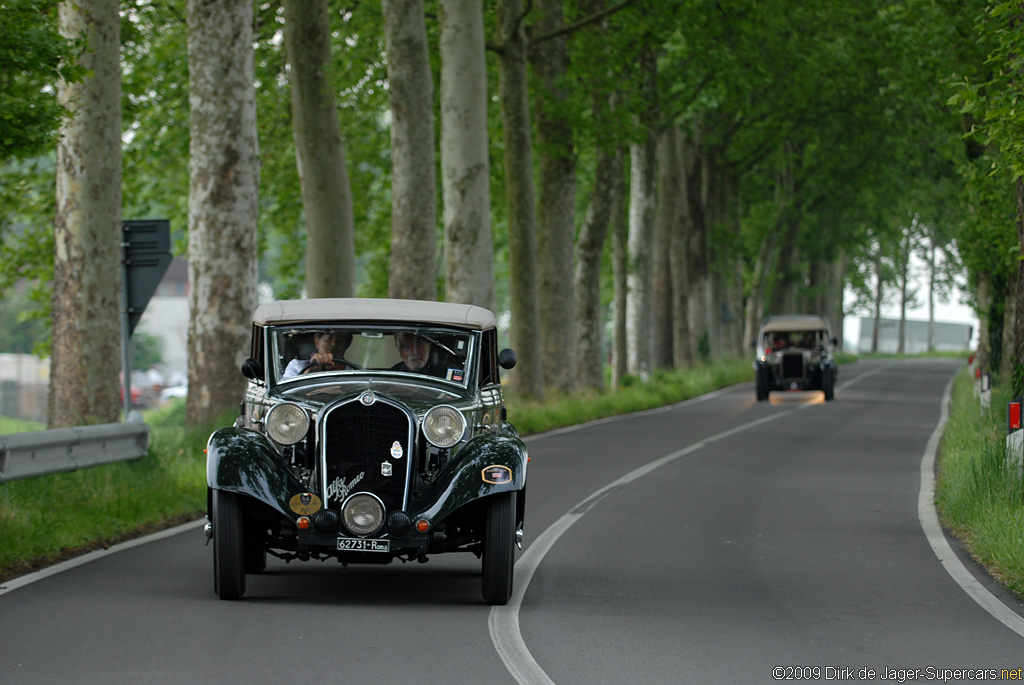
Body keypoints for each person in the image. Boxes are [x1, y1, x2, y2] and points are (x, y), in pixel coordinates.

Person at [283, 330, 354, 378]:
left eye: (340, 340)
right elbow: (286, 394)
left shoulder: (355, 372)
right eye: (329, 338)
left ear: (346, 345)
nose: (334, 344)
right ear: (317, 342)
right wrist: (311, 370)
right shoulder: (297, 367)